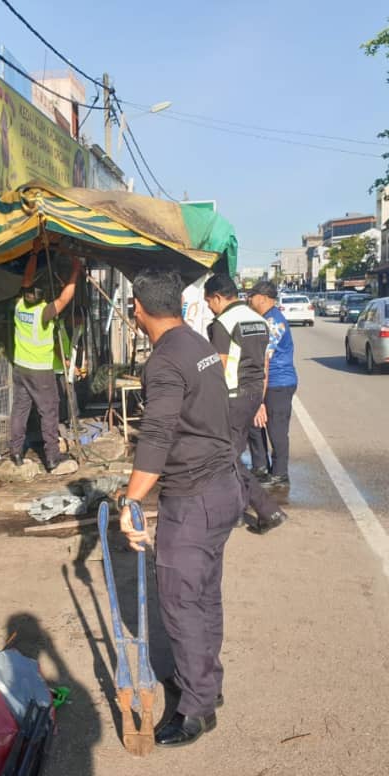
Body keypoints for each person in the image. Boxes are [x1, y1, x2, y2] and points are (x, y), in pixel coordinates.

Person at [115, 269, 243, 748]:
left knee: (183, 603)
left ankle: (196, 710)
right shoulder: (198, 343)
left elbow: (158, 433)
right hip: (221, 485)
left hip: (194, 498)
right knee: (204, 596)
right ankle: (207, 685)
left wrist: (131, 500)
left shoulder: (165, 360)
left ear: (138, 308)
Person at [204, 273, 288, 534]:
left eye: (209, 302)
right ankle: (240, 511)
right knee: (232, 454)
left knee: (226, 456)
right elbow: (264, 363)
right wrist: (260, 400)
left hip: (231, 395)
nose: (209, 307)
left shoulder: (223, 323)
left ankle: (267, 510)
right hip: (253, 392)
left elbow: (220, 363)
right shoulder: (259, 320)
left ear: (218, 297)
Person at [10, 250, 82, 475]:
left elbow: (26, 279)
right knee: (49, 411)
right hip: (40, 371)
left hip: (20, 368)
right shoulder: (44, 313)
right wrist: (75, 273)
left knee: (20, 410)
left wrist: (32, 254)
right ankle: (52, 458)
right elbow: (65, 298)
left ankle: (15, 452)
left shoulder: (19, 305)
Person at [245, 280, 298, 490]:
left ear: (263, 298)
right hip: (267, 382)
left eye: (252, 295)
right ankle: (260, 467)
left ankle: (280, 473)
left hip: (278, 383)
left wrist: (259, 397)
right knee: (255, 423)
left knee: (276, 429)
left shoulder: (273, 322)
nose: (249, 299)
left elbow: (264, 361)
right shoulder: (263, 319)